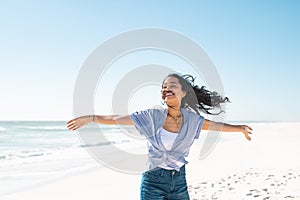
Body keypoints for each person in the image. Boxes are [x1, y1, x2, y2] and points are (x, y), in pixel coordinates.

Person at [67, 73, 253, 200]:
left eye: (172, 85)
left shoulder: (192, 120)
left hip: (179, 181)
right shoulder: (152, 116)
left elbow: (215, 126)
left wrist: (240, 128)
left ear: (183, 92)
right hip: (153, 181)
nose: (166, 89)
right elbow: (116, 118)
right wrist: (91, 118)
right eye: (164, 87)